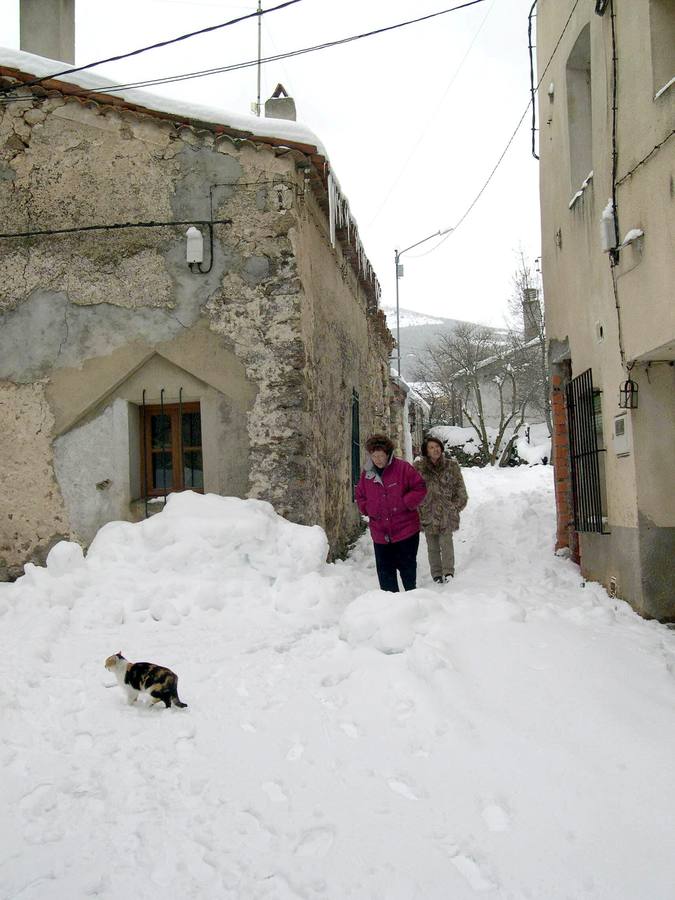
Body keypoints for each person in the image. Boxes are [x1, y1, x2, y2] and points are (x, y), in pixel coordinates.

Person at [355, 433, 427, 593]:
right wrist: (367, 508)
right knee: (385, 577)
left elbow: (420, 487)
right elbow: (359, 494)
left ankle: (412, 603)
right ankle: (391, 609)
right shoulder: (367, 473)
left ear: (388, 453)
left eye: (381, 456)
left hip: (406, 530)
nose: (378, 460)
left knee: (408, 572)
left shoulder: (403, 468)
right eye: (374, 456)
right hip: (380, 533)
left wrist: (406, 502)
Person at [414, 436, 468, 584]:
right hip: (427, 512)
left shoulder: (451, 466)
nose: (435, 449)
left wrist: (455, 507)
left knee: (446, 543)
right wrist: (418, 507)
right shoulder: (418, 468)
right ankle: (436, 573)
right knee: (432, 546)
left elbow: (460, 489)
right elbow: (411, 489)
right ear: (426, 451)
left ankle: (448, 571)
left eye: (437, 446)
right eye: (431, 447)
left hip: (446, 512)